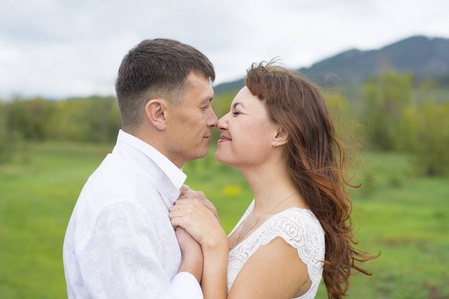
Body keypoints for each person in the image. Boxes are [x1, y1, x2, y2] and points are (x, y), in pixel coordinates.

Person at [169, 61, 376, 298]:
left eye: (237, 112)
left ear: (280, 133)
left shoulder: (290, 234)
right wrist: (211, 226)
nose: (221, 121)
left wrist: (215, 243)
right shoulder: (262, 212)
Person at [63, 38, 219, 298]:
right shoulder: (122, 204)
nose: (214, 120)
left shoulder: (144, 190)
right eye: (204, 106)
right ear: (158, 113)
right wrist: (194, 260)